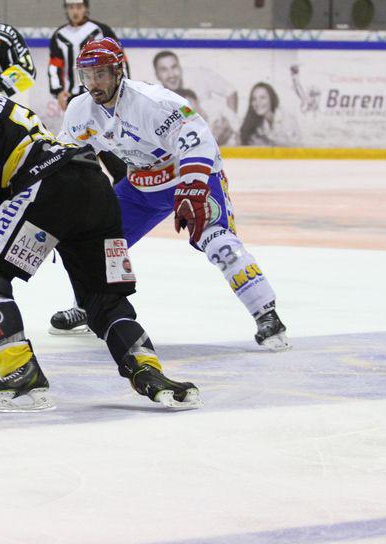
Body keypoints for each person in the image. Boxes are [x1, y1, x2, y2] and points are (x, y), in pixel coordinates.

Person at [0, 52, 202, 412]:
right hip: (95, 188)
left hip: (49, 189)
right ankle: (148, 370)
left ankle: (20, 371)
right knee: (102, 299)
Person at [50, 38, 289, 351]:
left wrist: (193, 185)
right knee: (94, 242)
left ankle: (266, 314)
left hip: (187, 176)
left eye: (101, 74)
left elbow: (198, 138)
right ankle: (88, 305)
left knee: (216, 240)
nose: (94, 83)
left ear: (119, 71)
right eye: (87, 75)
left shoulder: (153, 102)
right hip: (140, 185)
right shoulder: (80, 110)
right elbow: (68, 156)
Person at [48, 0, 127, 111]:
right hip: (72, 96)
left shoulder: (101, 31)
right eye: (71, 7)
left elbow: (121, 61)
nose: (75, 12)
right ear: (66, 9)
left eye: (79, 7)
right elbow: (54, 66)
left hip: (103, 93)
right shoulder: (59, 35)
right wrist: (57, 91)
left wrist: (123, 87)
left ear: (86, 8)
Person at [152, 50, 238, 145]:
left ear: (180, 68)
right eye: (164, 70)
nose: (171, 74)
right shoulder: (157, 100)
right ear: (157, 75)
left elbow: (231, 91)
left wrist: (229, 124)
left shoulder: (199, 75)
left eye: (174, 67)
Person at [240, 82, 301, 146]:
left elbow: (296, 148)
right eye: (254, 99)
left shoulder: (287, 119)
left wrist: (268, 143)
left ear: (271, 99)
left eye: (262, 98)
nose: (257, 102)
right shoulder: (258, 122)